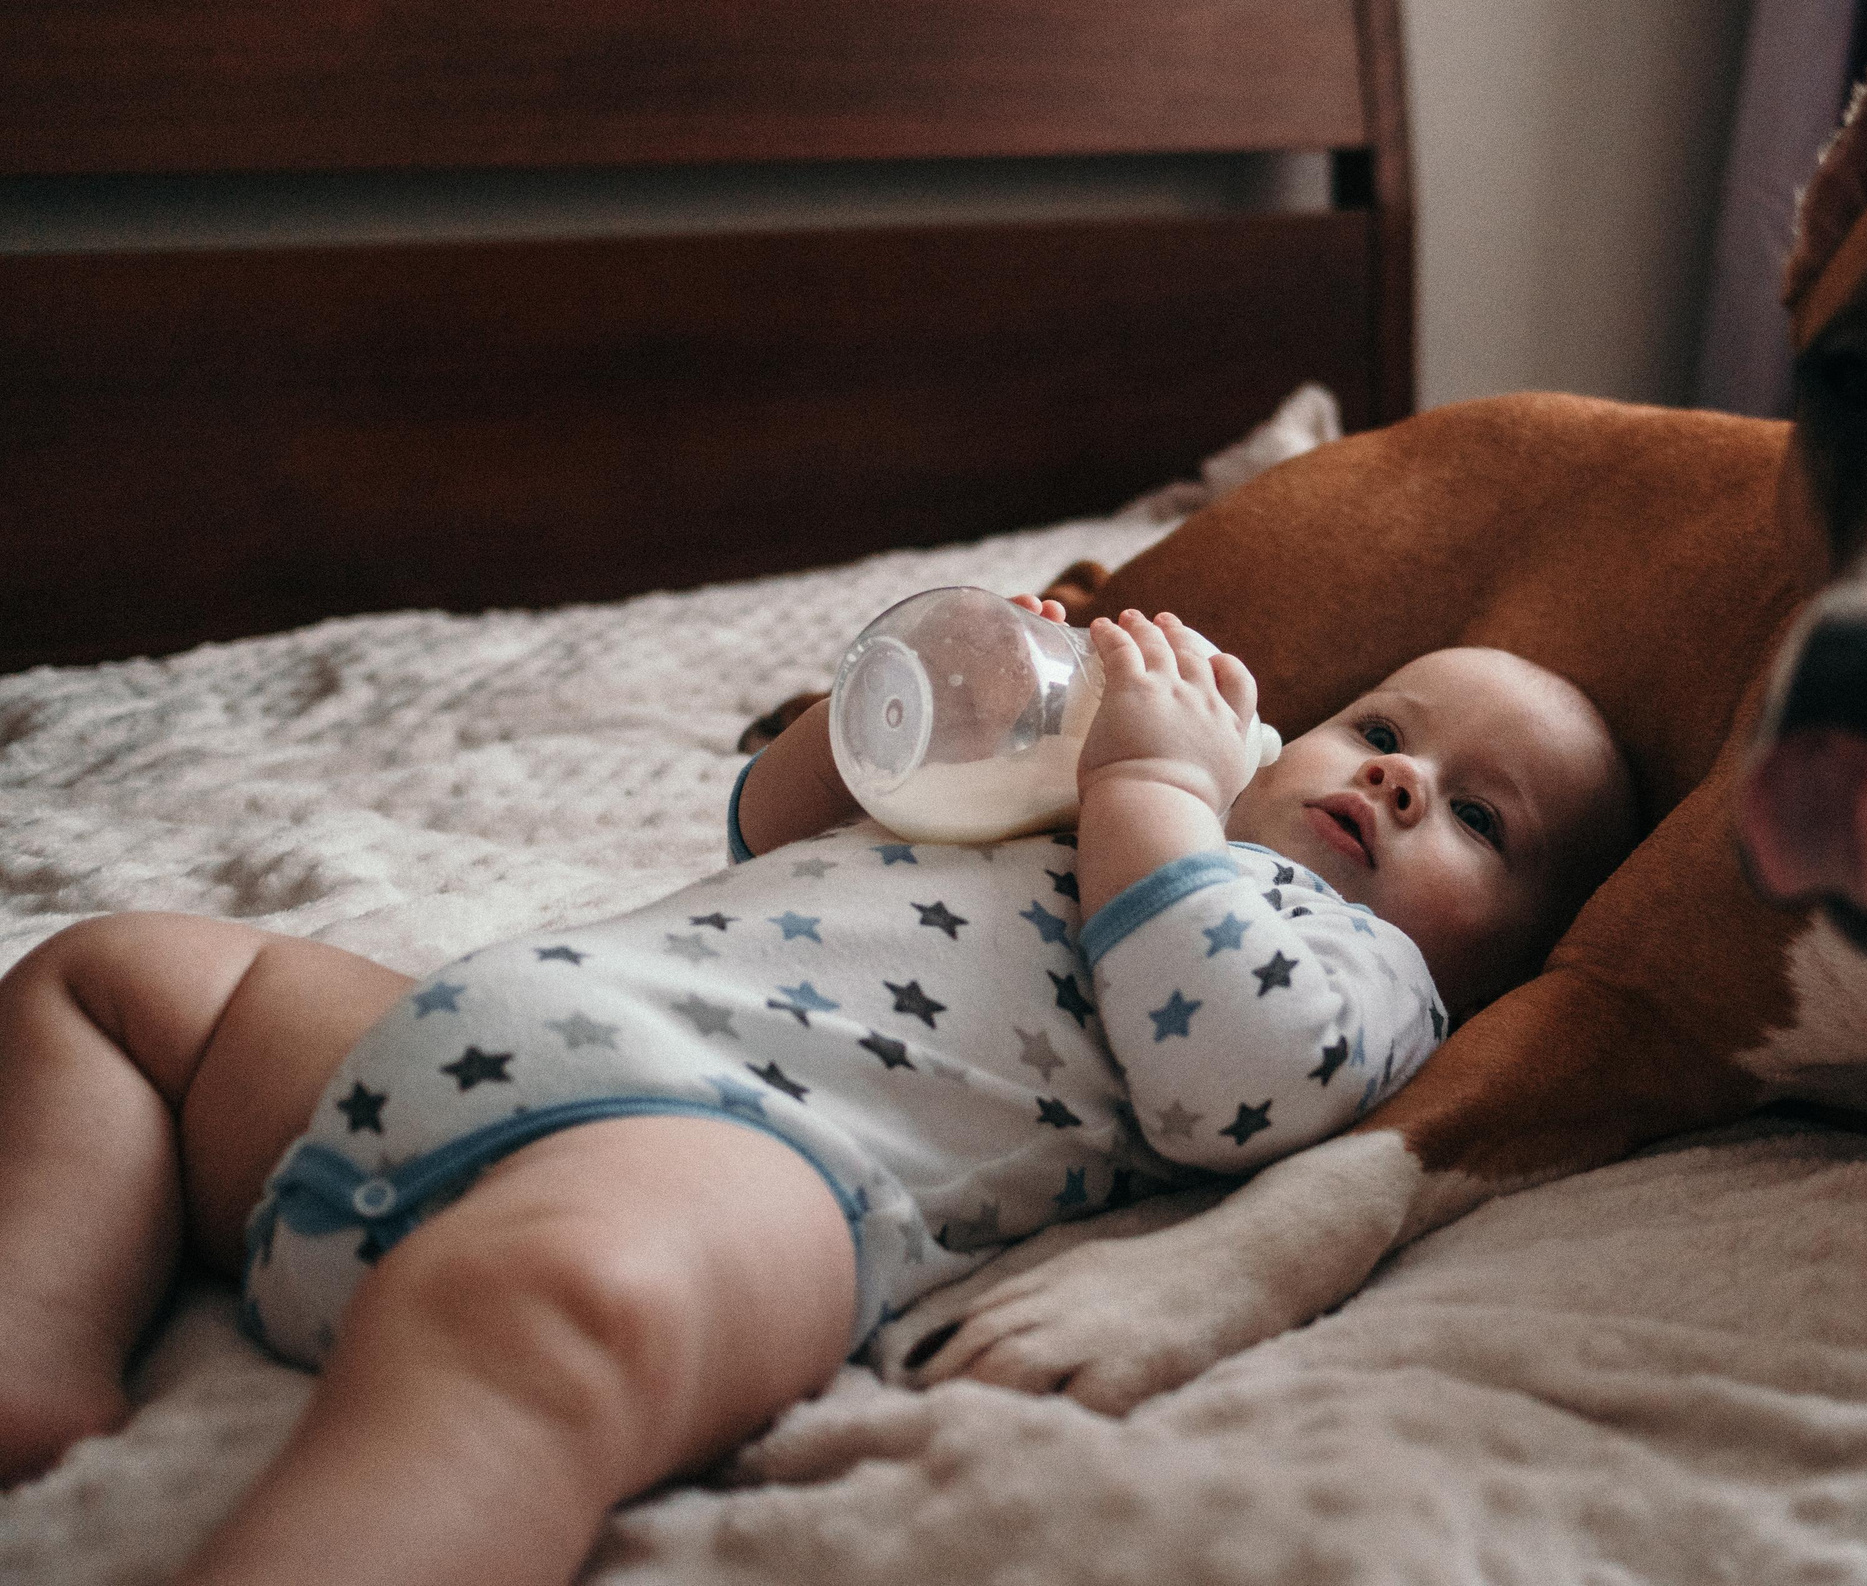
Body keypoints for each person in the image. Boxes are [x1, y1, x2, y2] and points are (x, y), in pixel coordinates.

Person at [0, 600, 1639, 1586]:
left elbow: (1227, 1074)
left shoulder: (1363, 987)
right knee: (122, 977)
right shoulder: (1087, 807)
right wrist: (929, 708)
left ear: (1500, 971)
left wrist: (1154, 789)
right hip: (494, 1030)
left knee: (555, 1308)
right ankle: (35, 1349)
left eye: (1479, 824)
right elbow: (773, 829)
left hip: (738, 1150)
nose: (1399, 780)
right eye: (1379, 726)